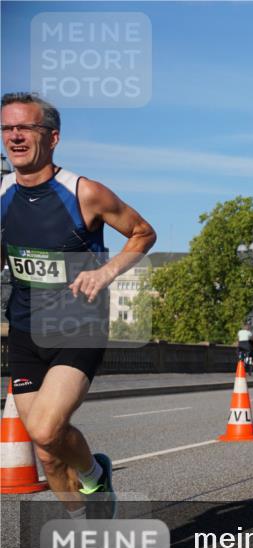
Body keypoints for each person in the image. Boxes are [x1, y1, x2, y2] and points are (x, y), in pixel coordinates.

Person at [1, 92, 157, 519]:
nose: (14, 137)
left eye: (25, 128)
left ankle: (94, 476)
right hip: (25, 329)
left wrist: (106, 273)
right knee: (47, 452)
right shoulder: (1, 194)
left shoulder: (83, 192)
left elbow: (143, 233)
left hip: (78, 325)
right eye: (7, 128)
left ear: (52, 138)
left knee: (46, 428)